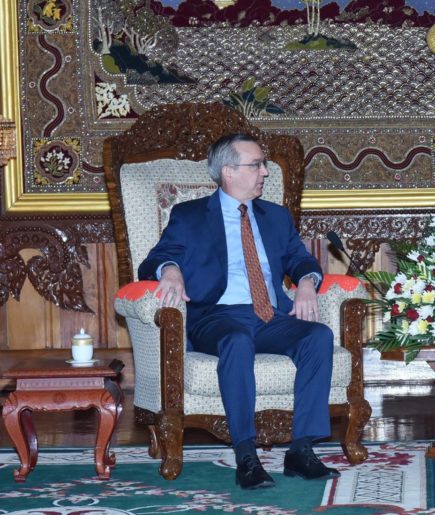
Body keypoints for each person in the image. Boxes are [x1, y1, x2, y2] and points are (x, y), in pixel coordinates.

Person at [139, 133, 339, 490]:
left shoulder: (275, 217)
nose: (265, 171)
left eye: (264, 164)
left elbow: (301, 259)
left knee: (317, 336)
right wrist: (170, 269)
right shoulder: (190, 215)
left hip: (269, 316)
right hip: (217, 317)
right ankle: (246, 455)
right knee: (236, 340)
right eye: (257, 164)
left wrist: (307, 282)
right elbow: (154, 259)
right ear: (229, 172)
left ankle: (301, 450)